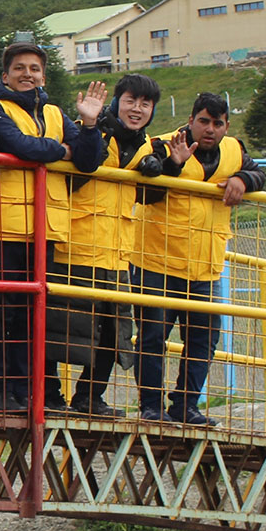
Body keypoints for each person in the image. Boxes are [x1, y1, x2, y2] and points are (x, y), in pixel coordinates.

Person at [0, 43, 105, 411]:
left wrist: (89, 125)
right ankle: (1, 392)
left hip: (45, 228)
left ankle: (27, 391)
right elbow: (19, 146)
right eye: (19, 68)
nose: (27, 74)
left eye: (34, 68)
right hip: (2, 226)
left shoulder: (56, 113)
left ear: (43, 76)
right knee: (2, 311)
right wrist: (61, 149)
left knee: (33, 314)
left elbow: (89, 160)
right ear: (6, 76)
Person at [131, 93, 265, 425]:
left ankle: (186, 405)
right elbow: (144, 192)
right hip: (156, 261)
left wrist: (243, 179)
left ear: (226, 126)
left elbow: (260, 173)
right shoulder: (162, 145)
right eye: (203, 121)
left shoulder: (234, 150)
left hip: (206, 267)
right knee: (152, 337)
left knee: (204, 339)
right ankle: (151, 406)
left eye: (217, 123)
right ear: (190, 120)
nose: (210, 129)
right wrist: (173, 165)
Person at [49, 74, 165, 417]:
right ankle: (48, 395)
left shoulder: (146, 148)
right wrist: (90, 125)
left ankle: (90, 396)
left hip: (117, 254)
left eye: (145, 104)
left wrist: (168, 166)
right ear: (116, 102)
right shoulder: (87, 131)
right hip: (72, 246)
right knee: (56, 326)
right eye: (130, 101)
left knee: (114, 332)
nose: (137, 109)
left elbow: (151, 195)